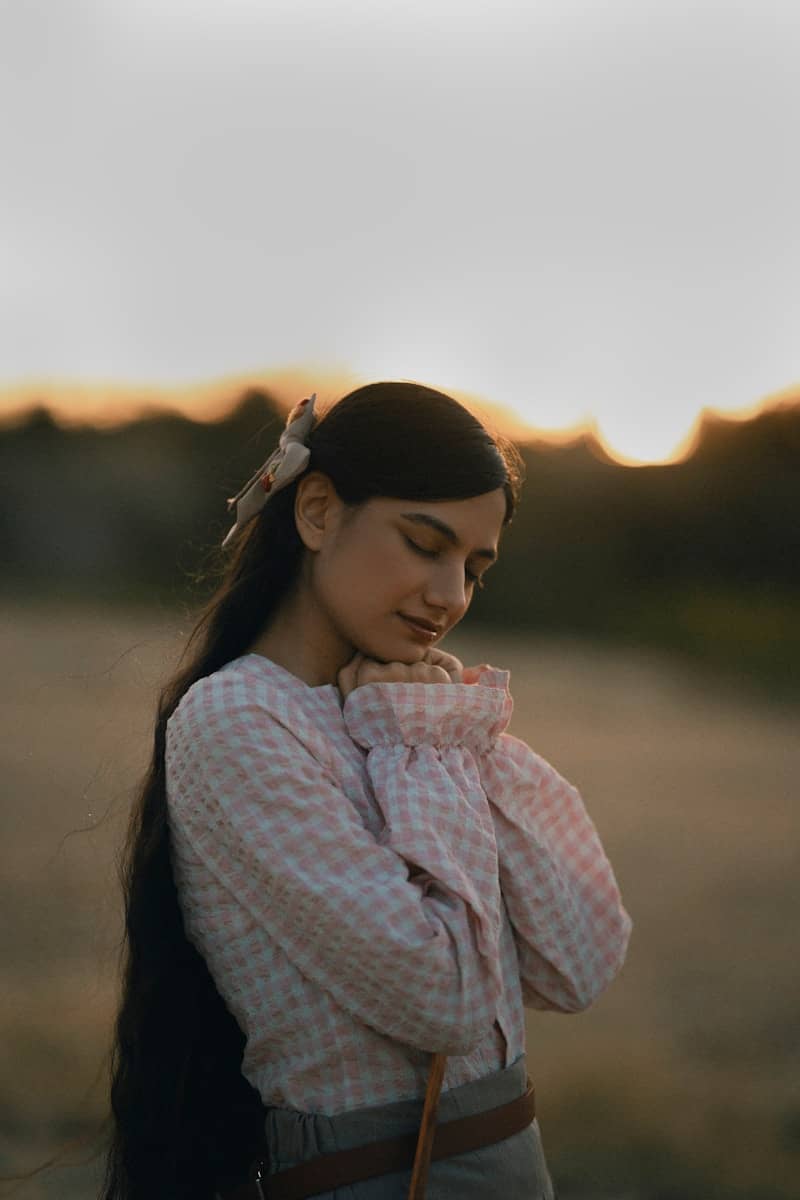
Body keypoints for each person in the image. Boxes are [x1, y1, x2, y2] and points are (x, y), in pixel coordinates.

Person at [102, 380, 632, 1200]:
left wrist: (444, 735)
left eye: (473, 569)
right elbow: (448, 998)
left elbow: (580, 964)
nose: (451, 596)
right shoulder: (240, 720)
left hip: (512, 1165)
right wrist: (419, 740)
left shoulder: (412, 713)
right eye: (426, 544)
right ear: (316, 512)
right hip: (375, 1179)